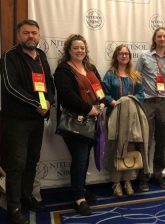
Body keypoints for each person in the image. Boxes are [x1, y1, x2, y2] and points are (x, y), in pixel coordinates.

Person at [0, 19, 55, 224]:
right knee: (17, 164)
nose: (30, 36)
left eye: (34, 33)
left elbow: (49, 82)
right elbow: (10, 86)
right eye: (26, 33)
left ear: (39, 36)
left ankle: (26, 197)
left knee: (32, 161)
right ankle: (14, 207)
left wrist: (49, 101)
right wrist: (36, 103)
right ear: (18, 35)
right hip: (17, 121)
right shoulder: (9, 57)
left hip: (37, 119)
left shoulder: (40, 56)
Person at [54, 34, 105, 216]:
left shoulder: (90, 68)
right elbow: (67, 95)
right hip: (75, 121)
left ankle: (80, 189)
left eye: (82, 48)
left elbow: (100, 88)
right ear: (69, 50)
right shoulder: (63, 70)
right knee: (80, 158)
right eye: (75, 48)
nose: (79, 50)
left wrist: (102, 102)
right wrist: (88, 109)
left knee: (84, 158)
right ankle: (78, 198)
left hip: (93, 121)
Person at [136, 27, 165, 192]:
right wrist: (138, 101)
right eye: (159, 36)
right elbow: (136, 79)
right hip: (146, 102)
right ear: (155, 39)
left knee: (161, 142)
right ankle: (143, 176)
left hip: (163, 103)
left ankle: (158, 173)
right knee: (144, 141)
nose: (162, 39)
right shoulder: (144, 56)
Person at [102, 44, 147, 197]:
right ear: (116, 56)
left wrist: (131, 101)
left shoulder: (135, 75)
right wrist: (113, 102)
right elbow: (103, 94)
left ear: (129, 57)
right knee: (116, 149)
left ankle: (127, 181)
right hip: (114, 117)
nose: (124, 56)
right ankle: (116, 183)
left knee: (129, 149)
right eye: (121, 53)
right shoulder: (109, 75)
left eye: (126, 54)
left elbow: (141, 94)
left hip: (131, 119)